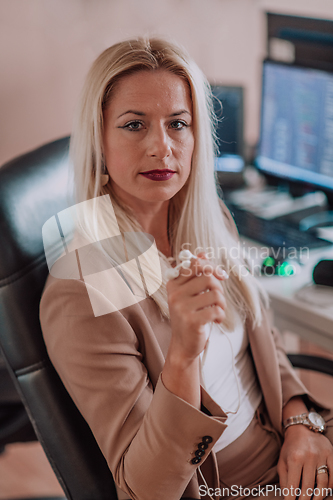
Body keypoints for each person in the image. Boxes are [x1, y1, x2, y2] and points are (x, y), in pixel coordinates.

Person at [40, 37, 333, 500]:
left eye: (178, 123)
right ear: (99, 137)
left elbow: (262, 336)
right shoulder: (82, 291)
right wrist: (182, 355)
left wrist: (302, 420)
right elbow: (145, 490)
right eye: (134, 125)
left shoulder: (207, 216)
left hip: (292, 447)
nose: (162, 147)